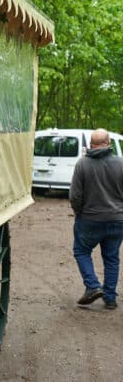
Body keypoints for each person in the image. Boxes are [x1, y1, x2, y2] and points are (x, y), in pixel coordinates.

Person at [70, 128, 123, 310]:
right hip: (117, 220)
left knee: (81, 251)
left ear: (91, 145)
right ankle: (110, 298)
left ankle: (92, 286)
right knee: (111, 258)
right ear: (108, 144)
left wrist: (79, 212)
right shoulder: (121, 164)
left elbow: (75, 196)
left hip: (89, 219)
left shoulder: (82, 164)